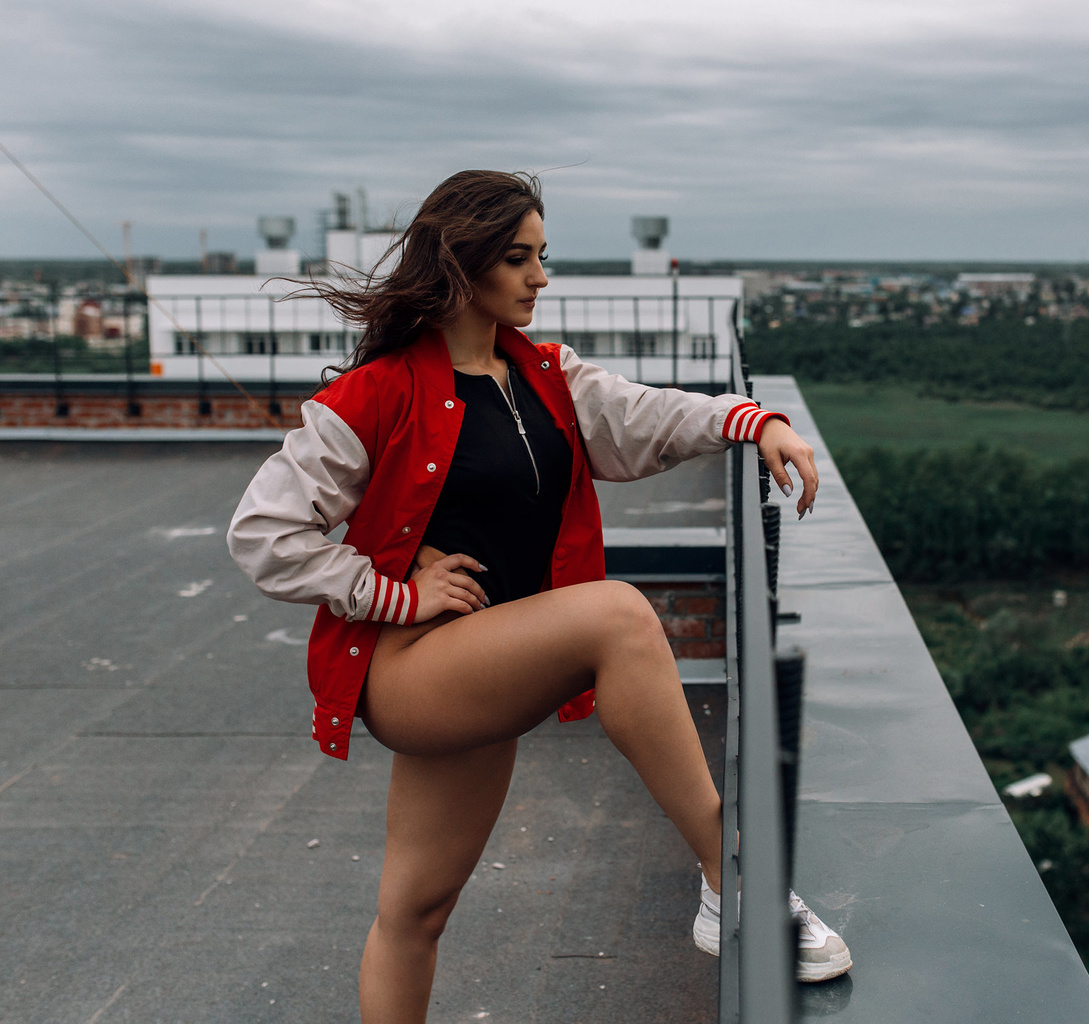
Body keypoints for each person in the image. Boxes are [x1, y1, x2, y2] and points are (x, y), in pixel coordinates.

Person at [227, 169, 850, 1022]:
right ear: (463, 264)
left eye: (541, 257)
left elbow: (646, 421)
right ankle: (734, 877)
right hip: (412, 671)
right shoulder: (375, 395)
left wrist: (750, 420)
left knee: (414, 914)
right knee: (619, 614)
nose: (540, 278)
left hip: (483, 663)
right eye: (519, 258)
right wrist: (391, 594)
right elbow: (261, 534)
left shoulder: (546, 376)